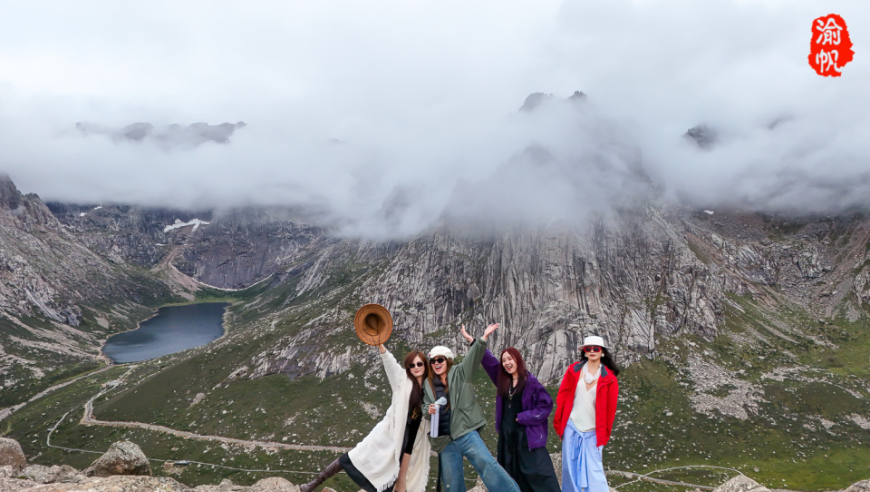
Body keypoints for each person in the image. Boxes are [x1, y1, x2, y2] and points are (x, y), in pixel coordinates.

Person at [301, 344, 431, 492]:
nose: (416, 367)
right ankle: (313, 484)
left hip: (409, 444)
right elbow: (390, 363)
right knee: (351, 457)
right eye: (411, 365)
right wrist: (381, 345)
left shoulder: (429, 390)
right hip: (387, 435)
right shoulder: (401, 380)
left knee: (392, 480)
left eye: (419, 363)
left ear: (425, 365)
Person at [423, 323, 521, 492]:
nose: (436, 363)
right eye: (433, 361)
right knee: (452, 483)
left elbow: (474, 355)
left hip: (466, 432)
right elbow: (424, 405)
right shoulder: (427, 383)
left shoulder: (461, 372)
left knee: (486, 464)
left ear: (447, 361)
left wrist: (482, 338)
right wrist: (428, 410)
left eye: (440, 360)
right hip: (444, 440)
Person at [462, 326, 560, 492]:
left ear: (518, 360)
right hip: (507, 439)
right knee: (512, 477)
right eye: (504, 360)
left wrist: (524, 417)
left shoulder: (531, 382)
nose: (507, 363)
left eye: (510, 359)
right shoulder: (503, 381)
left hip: (527, 438)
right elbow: (489, 362)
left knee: (540, 475)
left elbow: (546, 405)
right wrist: (475, 341)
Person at [553, 335, 620, 492]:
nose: (591, 351)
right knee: (569, 468)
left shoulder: (610, 379)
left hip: (593, 432)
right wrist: (559, 422)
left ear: (602, 352)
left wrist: (604, 434)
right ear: (584, 351)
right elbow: (562, 397)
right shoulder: (573, 370)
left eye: (595, 348)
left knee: (594, 471)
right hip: (572, 425)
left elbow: (610, 411)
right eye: (588, 348)